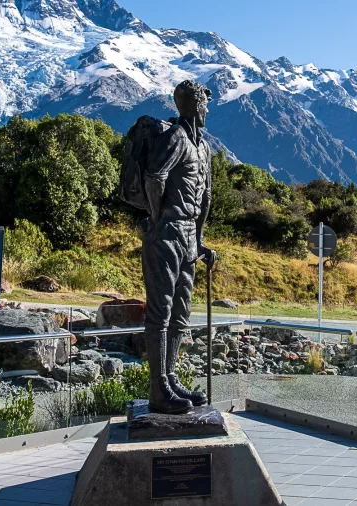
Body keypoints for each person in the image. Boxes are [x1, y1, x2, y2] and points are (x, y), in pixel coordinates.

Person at [140, 80, 217, 414]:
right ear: (195, 104)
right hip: (168, 230)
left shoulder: (204, 147)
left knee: (181, 312)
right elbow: (155, 176)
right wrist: (157, 218)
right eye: (205, 104)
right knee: (161, 310)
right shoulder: (176, 137)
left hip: (188, 235)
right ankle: (158, 389)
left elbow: (207, 195)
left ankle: (170, 377)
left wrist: (199, 241)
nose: (208, 110)